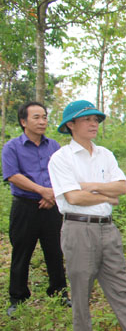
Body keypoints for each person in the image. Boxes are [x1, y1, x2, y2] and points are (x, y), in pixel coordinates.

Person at [48, 100, 126, 331]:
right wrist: (102, 192)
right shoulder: (61, 158)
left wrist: (90, 187)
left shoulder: (105, 155)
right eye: (87, 119)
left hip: (107, 230)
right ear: (71, 125)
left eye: (96, 119)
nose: (94, 123)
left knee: (120, 287)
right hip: (78, 229)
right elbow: (73, 198)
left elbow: (121, 188)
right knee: (81, 291)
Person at [2, 102, 69, 316]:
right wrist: (43, 191)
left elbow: (62, 173)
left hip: (51, 206)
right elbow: (13, 175)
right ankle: (17, 298)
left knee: (55, 251)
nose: (42, 122)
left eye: (45, 117)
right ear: (23, 122)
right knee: (22, 251)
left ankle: (59, 292)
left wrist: (51, 195)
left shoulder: (54, 147)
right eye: (36, 117)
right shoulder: (12, 147)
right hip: (25, 206)